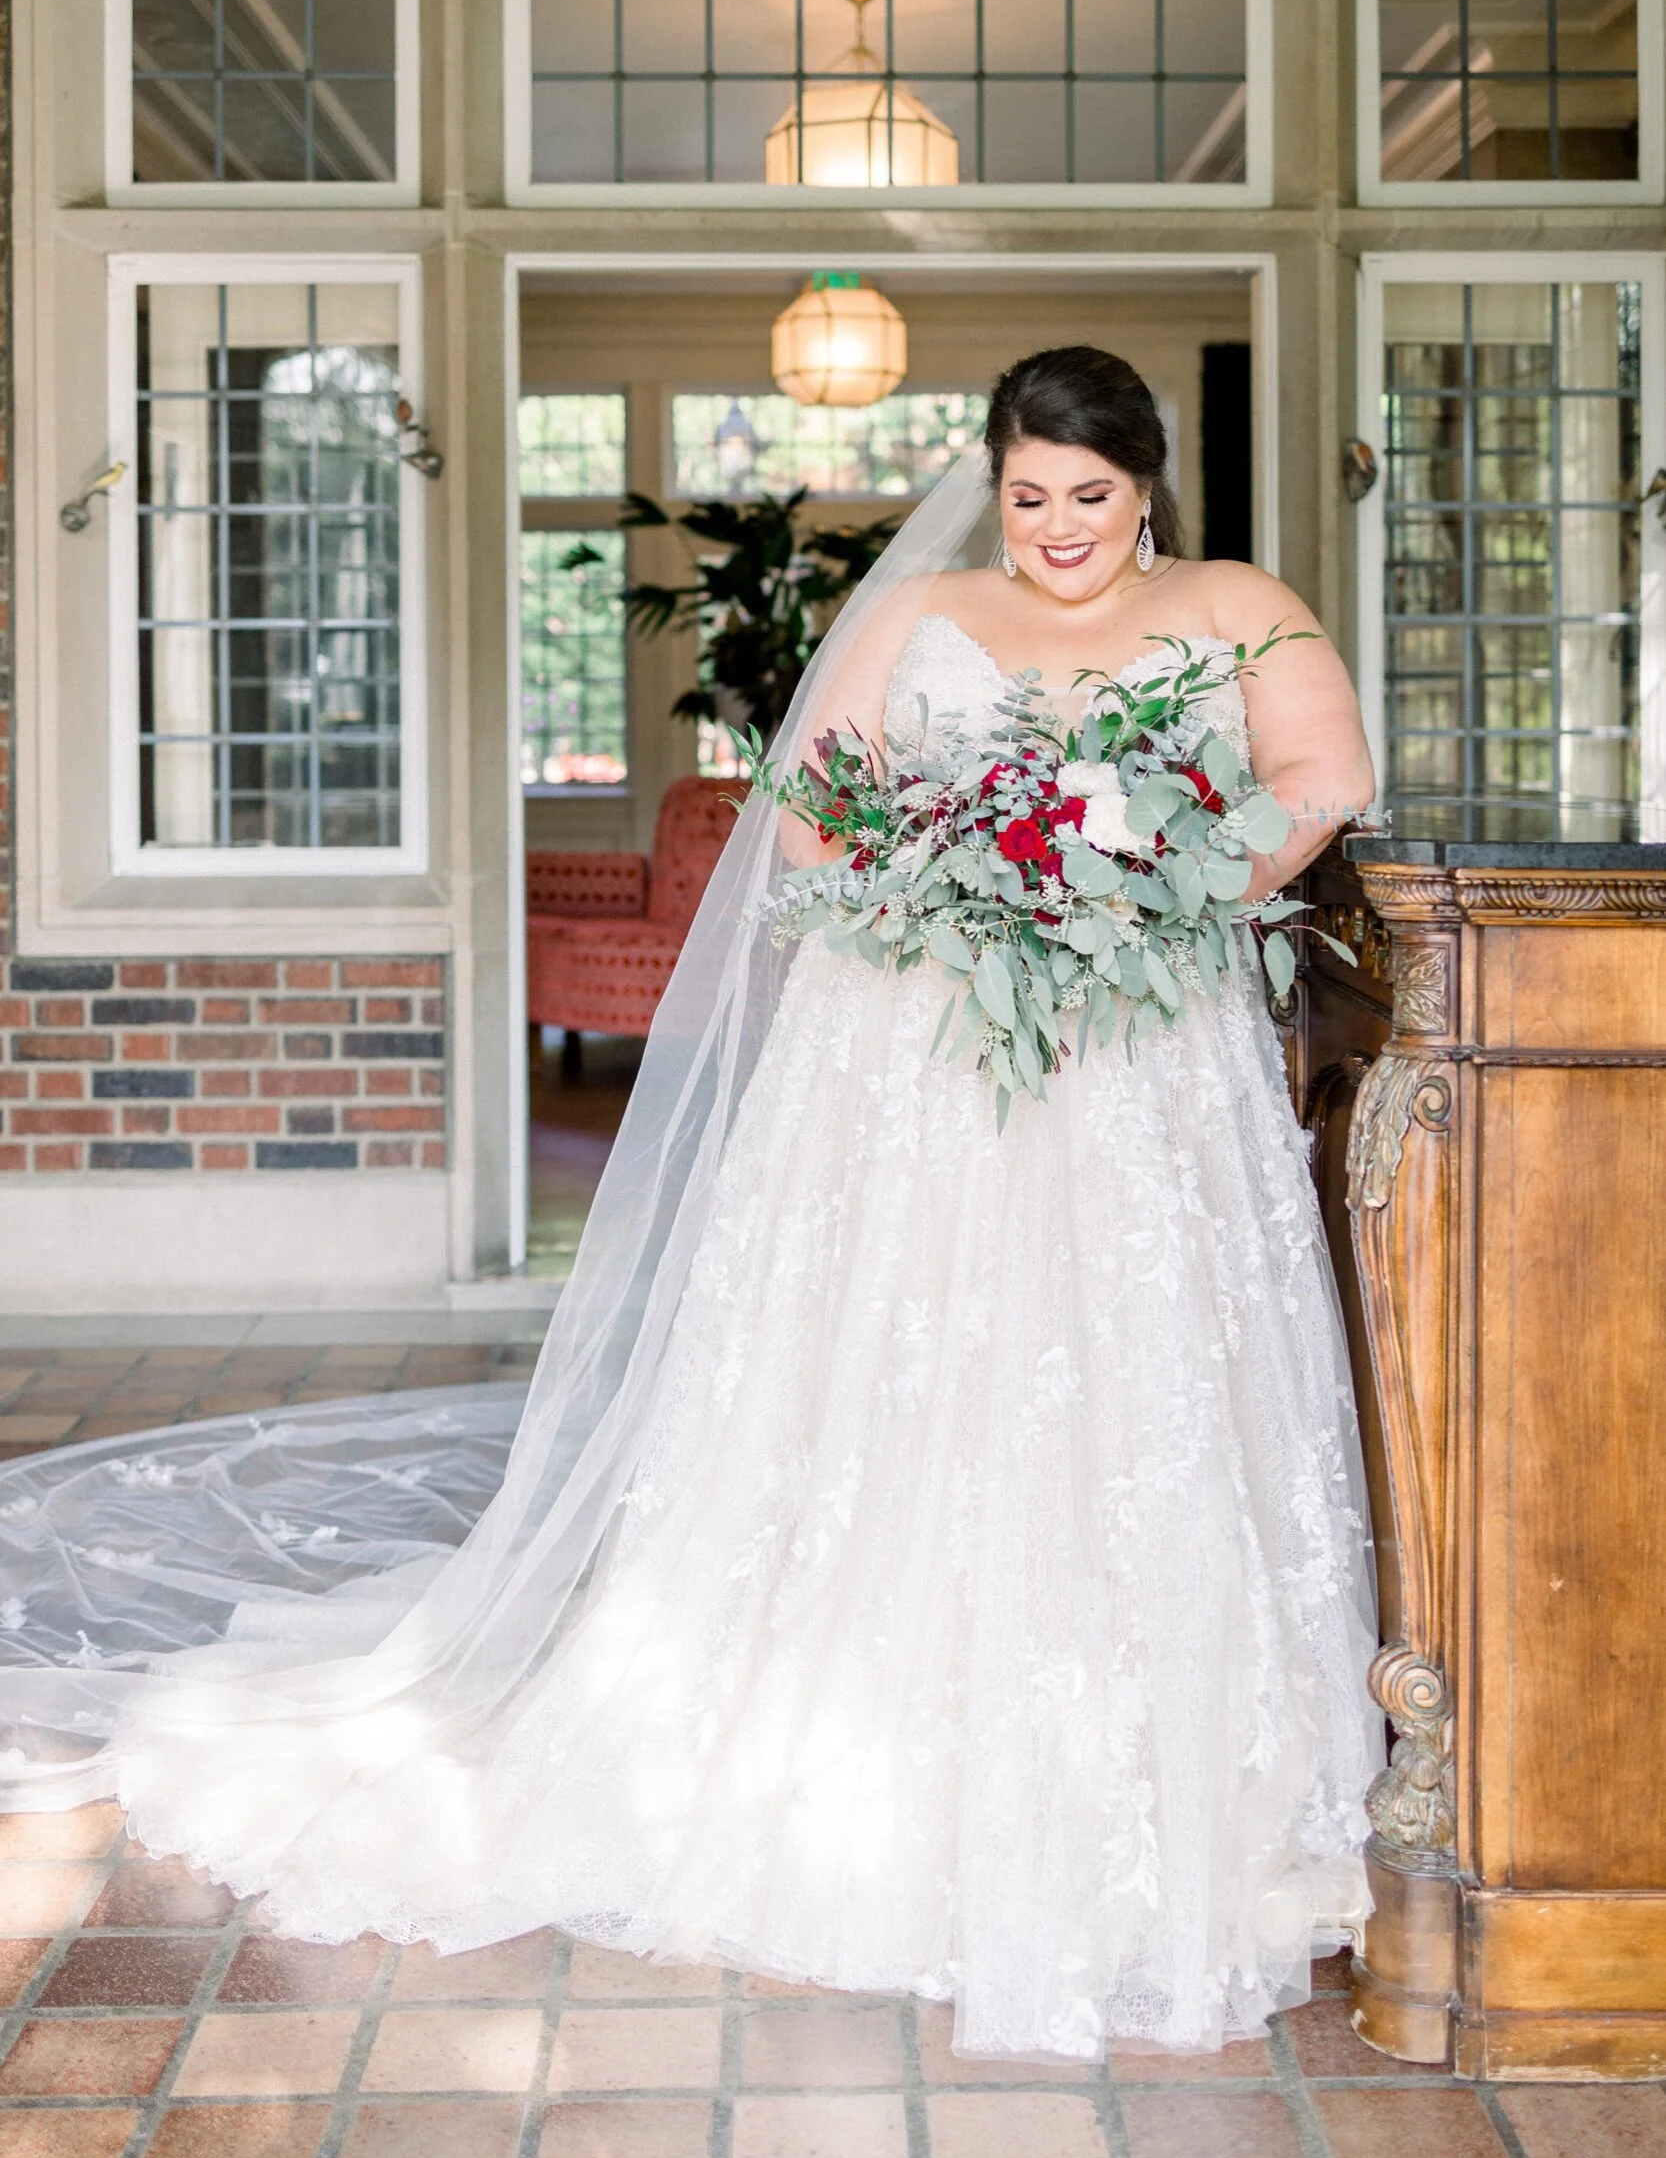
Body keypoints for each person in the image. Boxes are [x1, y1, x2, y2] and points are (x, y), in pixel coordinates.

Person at [0, 346, 1381, 2062]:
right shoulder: (921, 611)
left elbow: (1323, 783)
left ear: (1146, 488)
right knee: (906, 1372)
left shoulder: (1238, 604)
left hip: (1145, 1056)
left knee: (1134, 1375)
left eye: (1086, 499)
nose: (1053, 532)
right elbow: (806, 828)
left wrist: (1150, 888)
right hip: (926, 1060)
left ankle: (1162, 1757)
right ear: (992, 485)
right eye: (1026, 497)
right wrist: (959, 894)